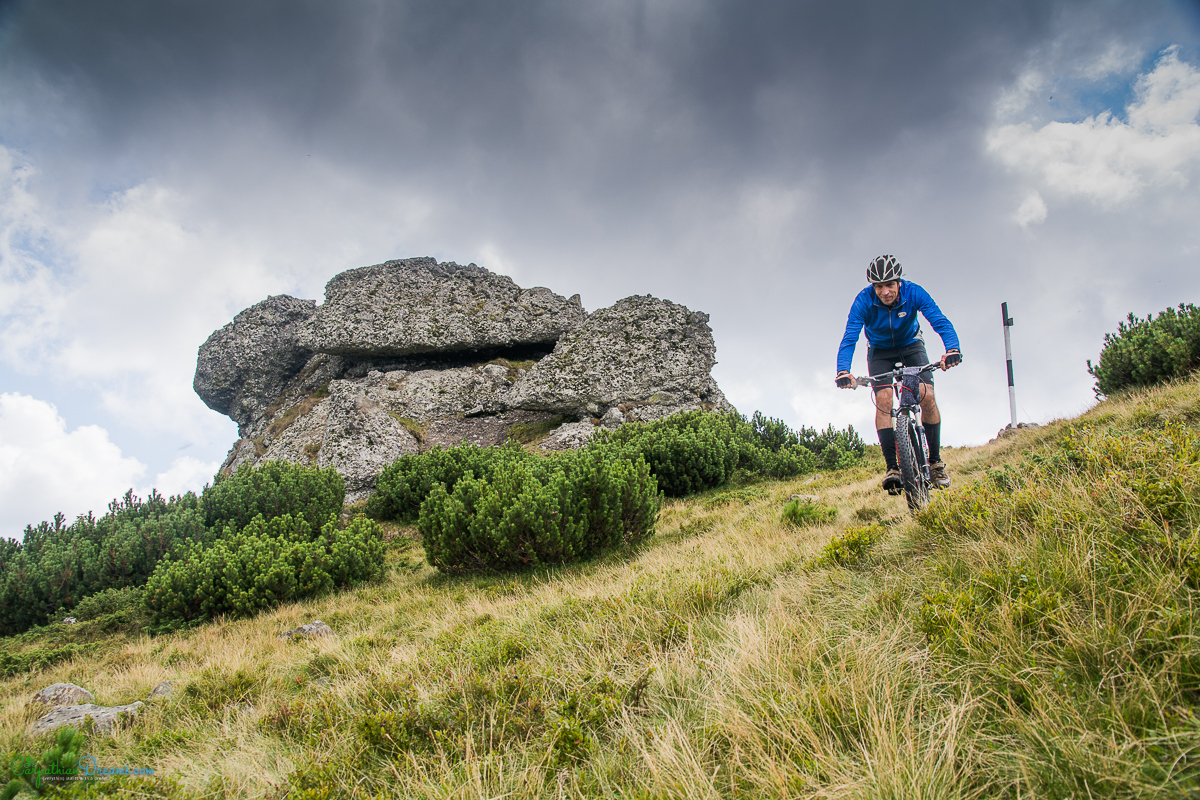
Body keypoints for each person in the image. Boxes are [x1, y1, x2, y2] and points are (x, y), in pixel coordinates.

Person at [835, 255, 962, 492]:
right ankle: (893, 468)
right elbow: (850, 336)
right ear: (873, 287)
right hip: (880, 352)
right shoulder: (863, 301)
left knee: (927, 395)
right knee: (883, 400)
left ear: (899, 282)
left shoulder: (914, 293)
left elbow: (939, 321)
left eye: (889, 285)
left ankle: (935, 464)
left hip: (911, 346)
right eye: (879, 286)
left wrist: (952, 349)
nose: (884, 292)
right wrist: (843, 370)